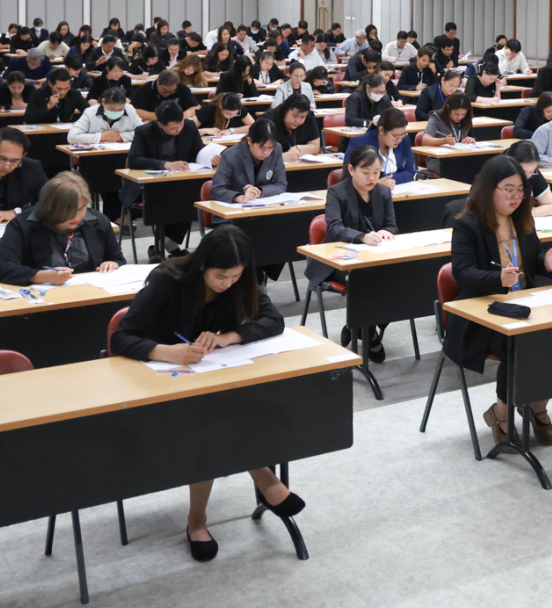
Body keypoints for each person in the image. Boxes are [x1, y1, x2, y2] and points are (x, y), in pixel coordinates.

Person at [109, 226, 303, 559]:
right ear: (202, 265)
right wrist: (165, 351)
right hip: (160, 382)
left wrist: (229, 337)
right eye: (220, 276)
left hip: (207, 378)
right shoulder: (167, 280)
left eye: (235, 276)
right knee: (212, 421)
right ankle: (215, 508)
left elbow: (274, 320)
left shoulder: (240, 280)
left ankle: (246, 488)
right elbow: (120, 337)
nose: (227, 283)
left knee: (239, 406)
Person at [446, 156, 552, 446]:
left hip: (524, 305)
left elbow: (534, 258)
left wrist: (548, 263)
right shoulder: (468, 224)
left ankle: (537, 405)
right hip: (483, 311)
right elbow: (462, 274)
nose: (516, 197)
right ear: (489, 189)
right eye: (509, 190)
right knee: (519, 342)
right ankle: (502, 413)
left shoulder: (522, 218)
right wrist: (497, 279)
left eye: (521, 191)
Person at [308, 144, 398, 360]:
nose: (372, 178)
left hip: (373, 258)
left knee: (398, 279)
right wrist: (362, 237)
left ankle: (358, 324)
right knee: (368, 280)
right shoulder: (336, 192)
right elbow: (334, 228)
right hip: (337, 261)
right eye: (366, 172)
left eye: (376, 172)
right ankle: (368, 331)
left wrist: (386, 231)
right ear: (351, 169)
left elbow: (392, 225)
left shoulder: (383, 192)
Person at [0, 171, 123, 285]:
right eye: (68, 211)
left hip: (90, 290)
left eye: (81, 208)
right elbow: (1, 268)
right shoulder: (24, 225)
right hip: (44, 293)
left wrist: (113, 264)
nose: (76, 216)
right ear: (50, 207)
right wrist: (41, 276)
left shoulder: (96, 220)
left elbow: (118, 258)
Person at [127, 102, 206, 254]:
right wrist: (166, 164)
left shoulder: (189, 126)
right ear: (160, 125)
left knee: (193, 197)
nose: (179, 130)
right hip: (153, 184)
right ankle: (167, 246)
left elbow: (199, 151)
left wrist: (210, 158)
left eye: (181, 124)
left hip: (182, 182)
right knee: (165, 199)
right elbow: (134, 160)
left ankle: (167, 243)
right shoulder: (144, 131)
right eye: (173, 128)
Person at [210, 118, 287, 205]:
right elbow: (216, 190)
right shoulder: (230, 155)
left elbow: (281, 184)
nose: (266, 152)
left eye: (270, 148)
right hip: (235, 209)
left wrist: (259, 191)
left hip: (265, 207)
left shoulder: (276, 149)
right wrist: (240, 198)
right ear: (250, 141)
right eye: (262, 147)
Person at [347, 108, 418, 186]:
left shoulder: (404, 140)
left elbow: (410, 171)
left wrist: (387, 181)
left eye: (402, 135)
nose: (399, 139)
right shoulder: (359, 143)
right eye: (395, 136)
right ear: (381, 130)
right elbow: (348, 177)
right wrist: (376, 184)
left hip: (398, 188)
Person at [503, 138, 552, 217]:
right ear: (512, 164)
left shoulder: (533, 173)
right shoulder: (499, 174)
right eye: (523, 171)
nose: (528, 176)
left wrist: (526, 215)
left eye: (531, 171)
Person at [268, 93, 324, 158]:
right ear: (285, 111)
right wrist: (282, 157)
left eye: (302, 117)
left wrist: (298, 148)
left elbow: (315, 147)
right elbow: (261, 152)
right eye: (295, 116)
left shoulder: (309, 117)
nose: (298, 121)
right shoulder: (268, 121)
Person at [132, 69, 198, 123]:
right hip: (152, 124)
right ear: (157, 82)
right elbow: (135, 111)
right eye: (164, 90)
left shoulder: (182, 88)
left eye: (171, 92)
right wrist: (163, 118)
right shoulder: (144, 89)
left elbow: (196, 107)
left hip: (177, 124)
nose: (167, 94)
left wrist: (186, 114)